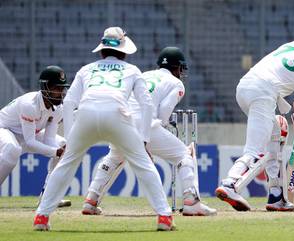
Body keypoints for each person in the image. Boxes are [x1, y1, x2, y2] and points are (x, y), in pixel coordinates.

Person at [33, 27, 174, 231]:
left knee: (66, 164)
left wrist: (70, 138)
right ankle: (164, 217)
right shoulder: (132, 70)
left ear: (101, 51)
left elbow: (70, 102)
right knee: (143, 164)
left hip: (86, 113)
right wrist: (143, 139)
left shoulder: (87, 69)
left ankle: (41, 217)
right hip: (117, 114)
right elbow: (147, 105)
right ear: (124, 52)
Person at [82, 46, 216, 216]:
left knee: (115, 157)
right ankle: (191, 201)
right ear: (177, 67)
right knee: (184, 154)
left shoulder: (144, 75)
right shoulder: (176, 83)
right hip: (146, 125)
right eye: (181, 68)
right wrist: (164, 125)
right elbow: (165, 109)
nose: (181, 72)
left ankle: (91, 200)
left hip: (121, 121)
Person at [215, 35, 294, 211]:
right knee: (255, 151)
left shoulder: (293, 45)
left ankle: (276, 195)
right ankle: (230, 183)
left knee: (277, 135)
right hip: (263, 94)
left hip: (244, 87)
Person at [0, 66, 70, 208]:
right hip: (5, 129)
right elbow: (30, 142)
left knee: (62, 143)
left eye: (61, 89)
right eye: (56, 88)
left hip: (28, 135)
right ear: (45, 87)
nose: (60, 93)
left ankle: (48, 197)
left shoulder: (58, 109)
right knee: (12, 149)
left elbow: (49, 140)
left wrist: (58, 151)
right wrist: (55, 152)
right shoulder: (29, 105)